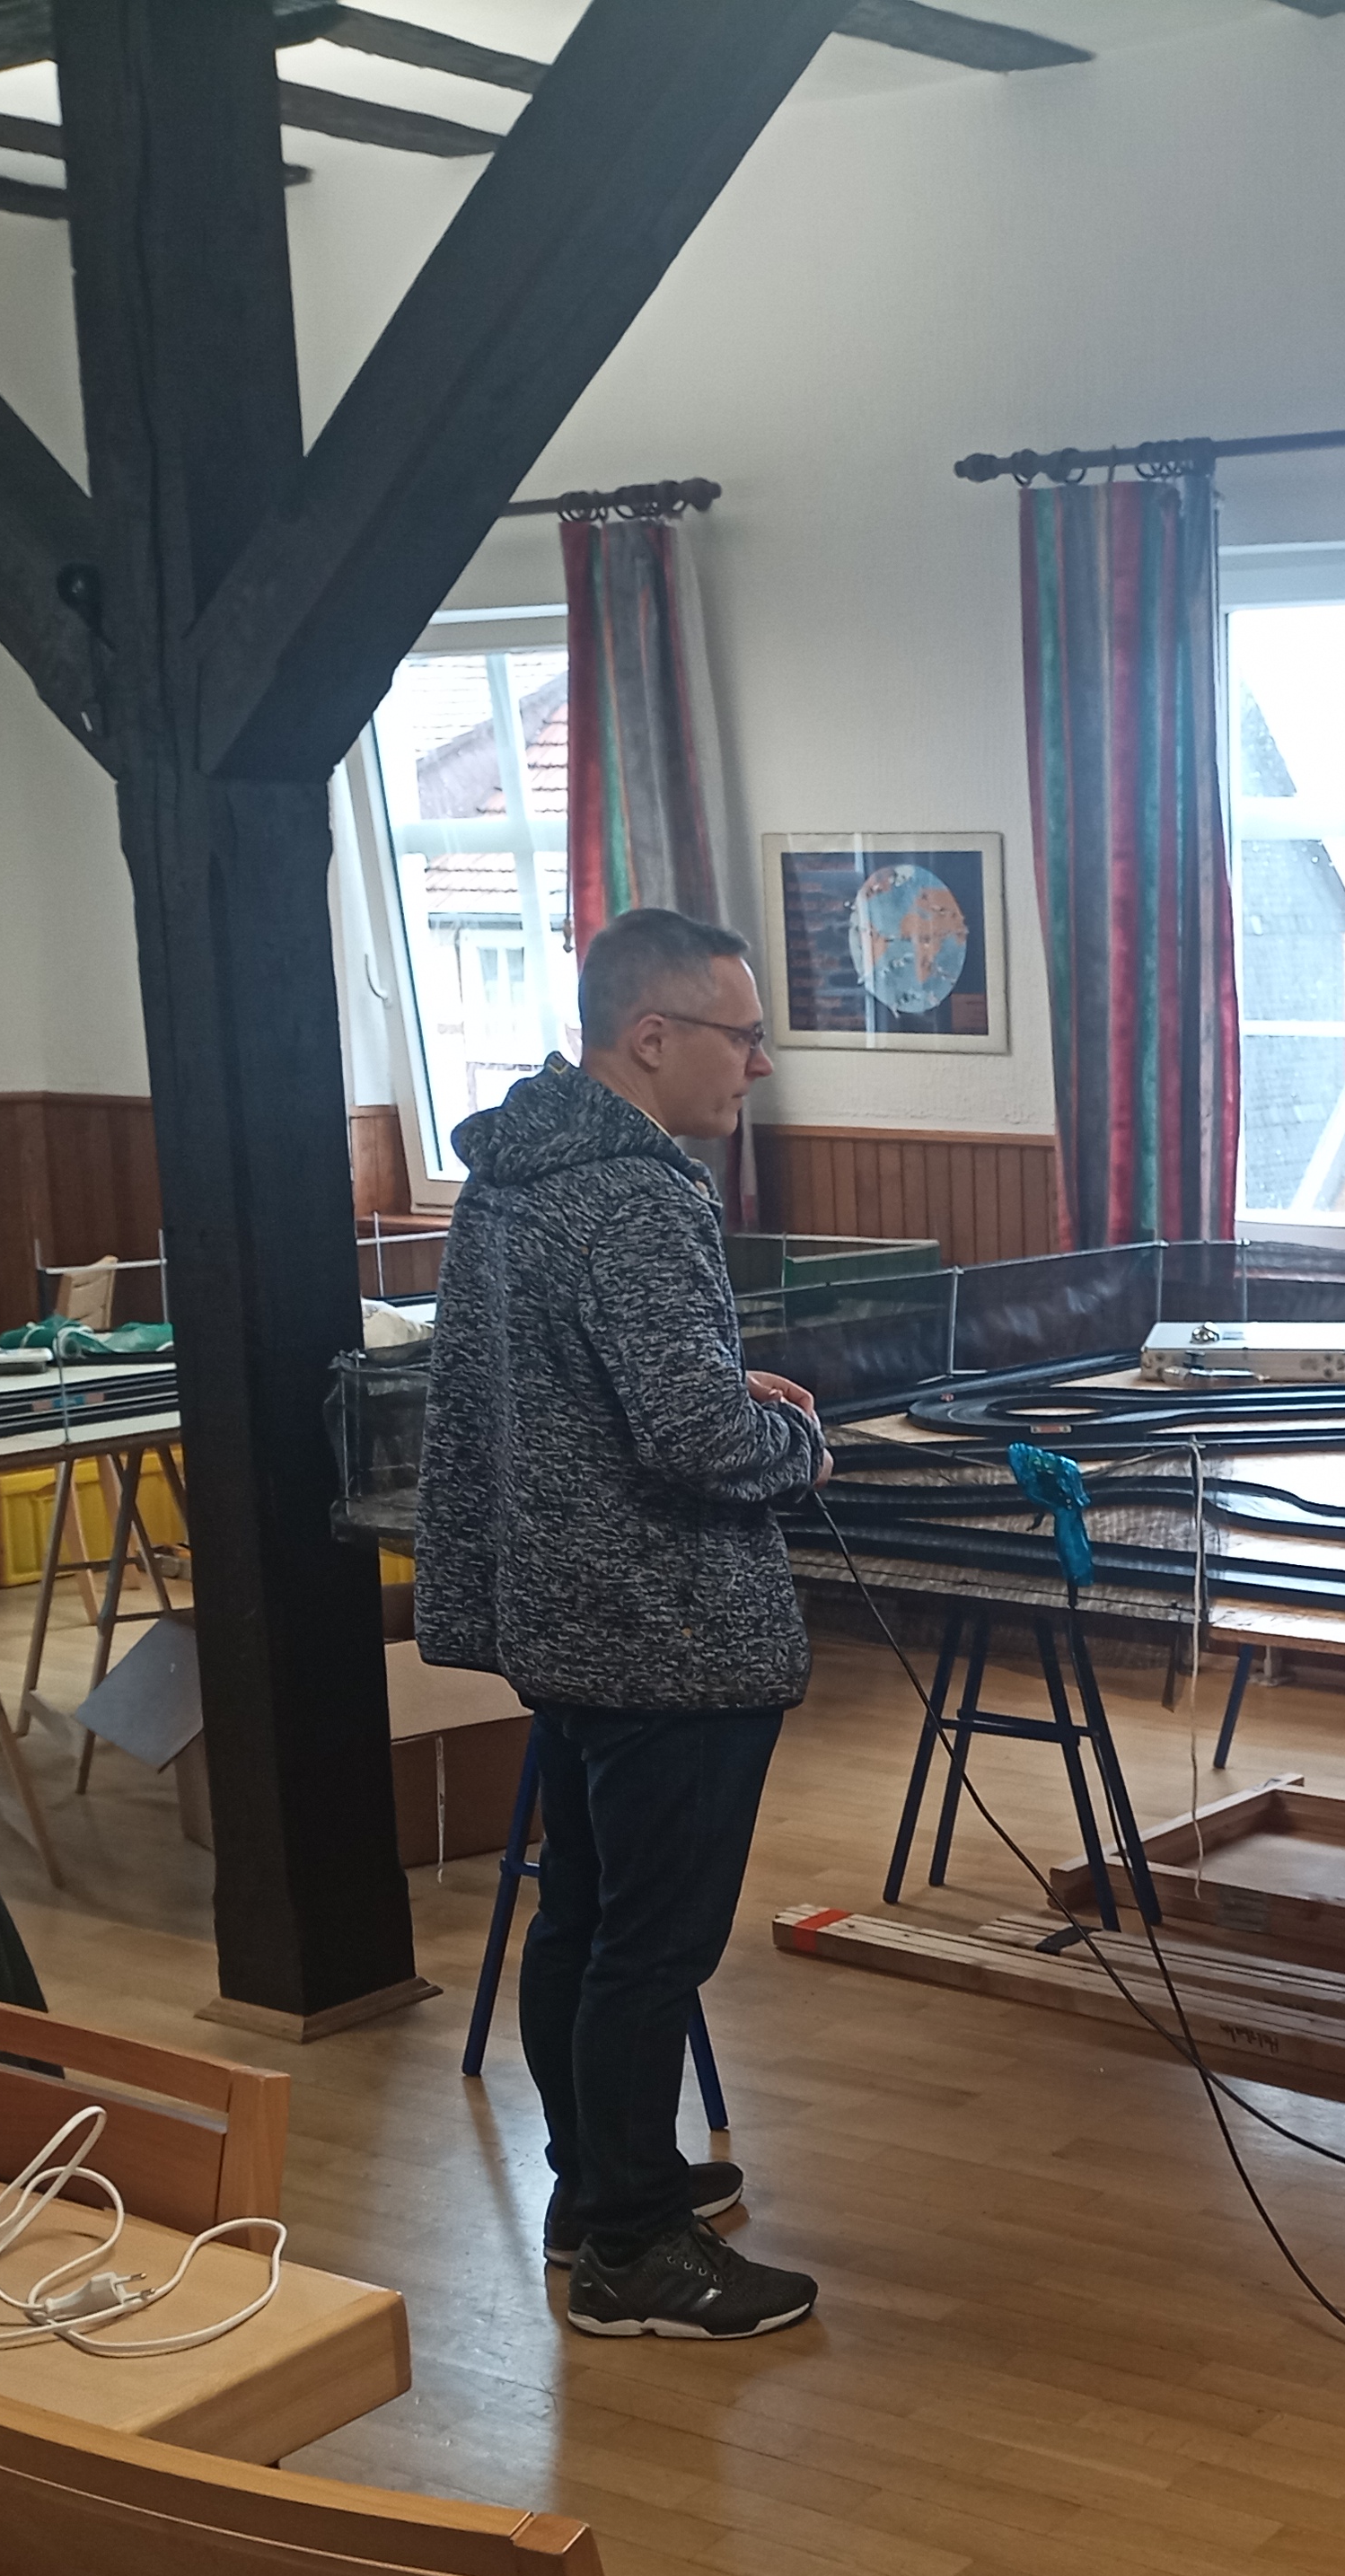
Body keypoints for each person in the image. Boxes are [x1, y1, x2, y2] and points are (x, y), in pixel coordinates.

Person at [416, 909, 832, 2343]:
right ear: (652, 1038)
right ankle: (637, 2254)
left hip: (567, 1615)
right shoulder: (638, 1194)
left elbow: (568, 1391)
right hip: (671, 1632)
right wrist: (797, 1444)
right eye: (743, 1036)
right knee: (651, 1951)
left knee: (584, 1923)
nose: (759, 1065)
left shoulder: (514, 1171)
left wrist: (718, 1382)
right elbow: (693, 1441)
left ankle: (595, 2189)